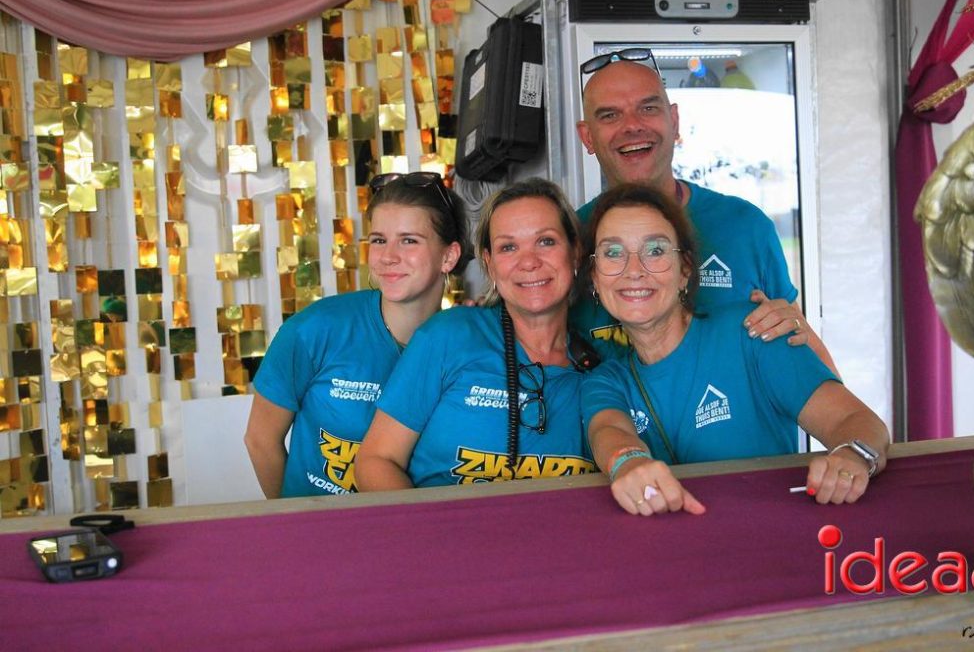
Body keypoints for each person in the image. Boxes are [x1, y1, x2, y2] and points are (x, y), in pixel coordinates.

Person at [580, 184, 889, 515]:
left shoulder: (755, 330)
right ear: (595, 278)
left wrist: (852, 456)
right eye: (613, 253)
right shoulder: (606, 381)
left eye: (655, 250)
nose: (634, 270)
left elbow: (858, 421)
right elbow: (609, 432)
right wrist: (628, 462)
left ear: (685, 270)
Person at [573, 51, 836, 373]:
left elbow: (806, 351)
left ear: (675, 122)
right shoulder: (570, 239)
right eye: (610, 115)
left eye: (648, 108)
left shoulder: (744, 226)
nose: (632, 126)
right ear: (587, 137)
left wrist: (792, 327)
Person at [356, 177, 597, 489]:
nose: (529, 262)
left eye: (546, 241)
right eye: (508, 247)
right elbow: (376, 461)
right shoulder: (449, 336)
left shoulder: (602, 366)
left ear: (575, 251)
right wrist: (426, 524)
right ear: (490, 263)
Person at [243, 172, 468, 498]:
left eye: (409, 240)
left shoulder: (467, 343)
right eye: (378, 240)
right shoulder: (315, 329)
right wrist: (294, 517)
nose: (388, 256)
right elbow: (260, 440)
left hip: (413, 524)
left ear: (449, 256)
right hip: (321, 525)